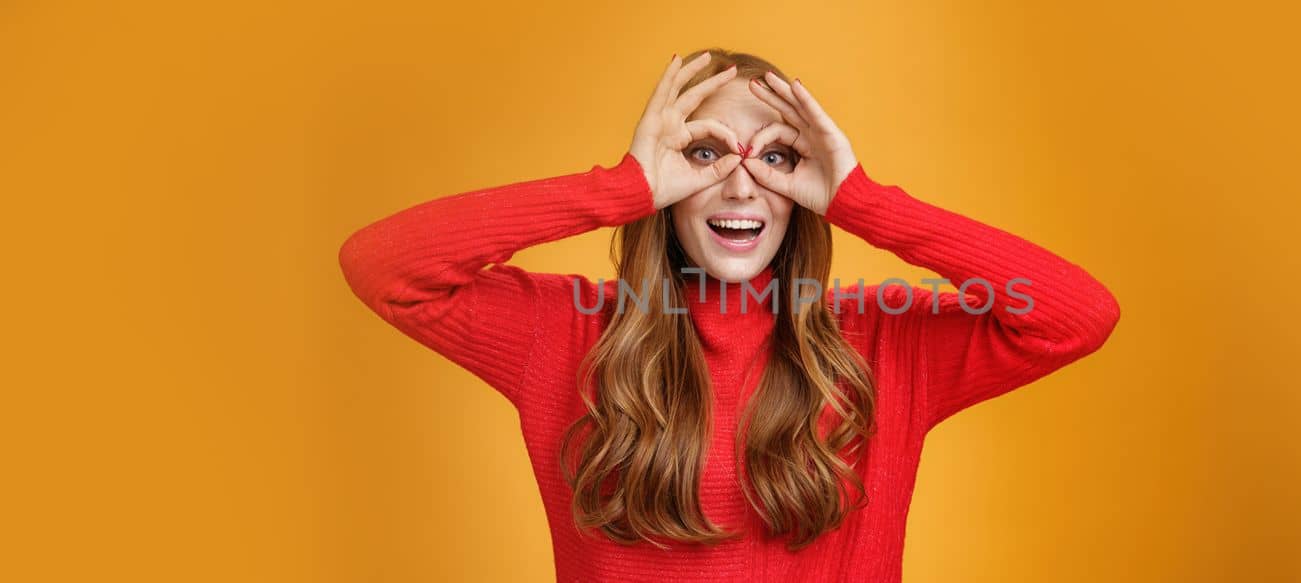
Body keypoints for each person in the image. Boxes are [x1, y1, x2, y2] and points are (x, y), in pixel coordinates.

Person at [337, 47, 1121, 582]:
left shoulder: (880, 341)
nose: (742, 187)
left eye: (776, 158)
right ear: (665, 184)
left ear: (805, 186)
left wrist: (865, 203)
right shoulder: (568, 329)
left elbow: (1076, 314)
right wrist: (618, 188)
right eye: (705, 154)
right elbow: (384, 265)